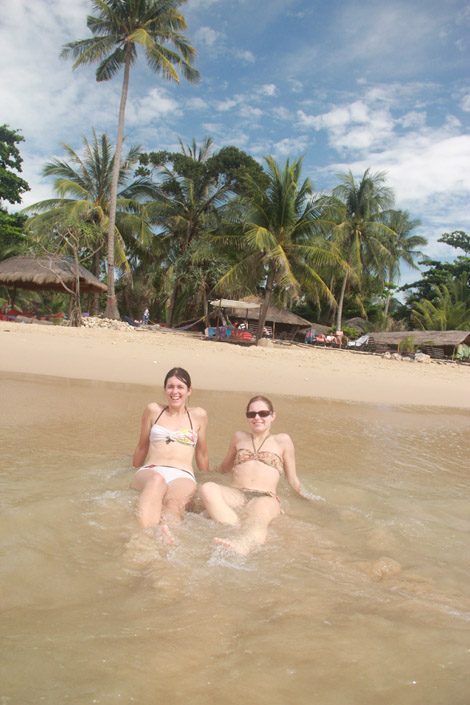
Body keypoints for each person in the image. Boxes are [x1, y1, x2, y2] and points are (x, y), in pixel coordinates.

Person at [199, 395, 302, 554]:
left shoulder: (282, 440)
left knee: (257, 519)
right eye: (251, 414)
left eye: (263, 413)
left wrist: (304, 501)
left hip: (265, 496)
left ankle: (243, 544)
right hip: (237, 494)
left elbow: (292, 479)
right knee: (207, 489)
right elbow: (225, 467)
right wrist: (204, 475)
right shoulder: (239, 437)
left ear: (272, 416)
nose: (257, 417)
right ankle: (237, 527)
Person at [130, 367, 209, 540]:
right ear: (165, 390)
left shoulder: (198, 415)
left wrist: (205, 478)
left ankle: (167, 536)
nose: (175, 392)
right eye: (170, 387)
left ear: (189, 391)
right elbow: (142, 446)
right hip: (152, 470)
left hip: (183, 474)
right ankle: (143, 537)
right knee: (156, 481)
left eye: (180, 387)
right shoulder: (153, 410)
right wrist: (130, 472)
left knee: (173, 504)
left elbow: (202, 454)